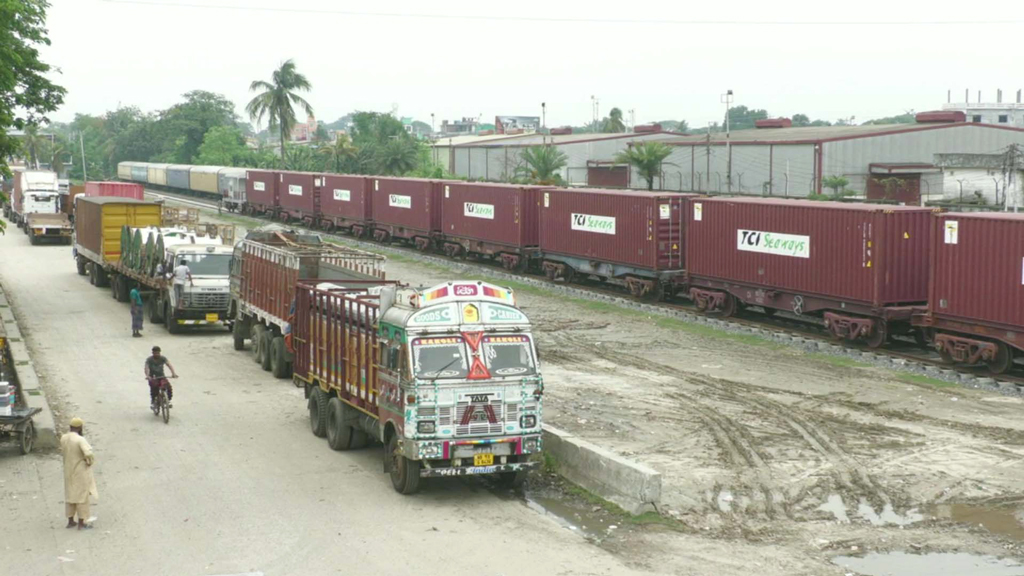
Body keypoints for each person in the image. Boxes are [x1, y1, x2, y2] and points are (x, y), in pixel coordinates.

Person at [60, 417, 98, 530]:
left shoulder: (64, 438)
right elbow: (88, 454)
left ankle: (70, 521)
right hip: (80, 471)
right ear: (80, 427)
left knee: (70, 495)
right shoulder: (80, 439)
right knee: (82, 496)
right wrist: (89, 462)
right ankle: (82, 523)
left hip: (68, 470)